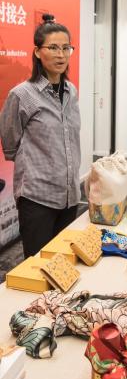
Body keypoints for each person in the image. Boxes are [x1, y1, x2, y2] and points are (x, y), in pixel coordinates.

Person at [0, 16, 81, 257]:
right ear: (37, 52)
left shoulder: (71, 91)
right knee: (38, 266)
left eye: (66, 48)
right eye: (53, 47)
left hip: (69, 195)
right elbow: (10, 142)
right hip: (37, 197)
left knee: (64, 262)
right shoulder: (22, 95)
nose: (61, 55)